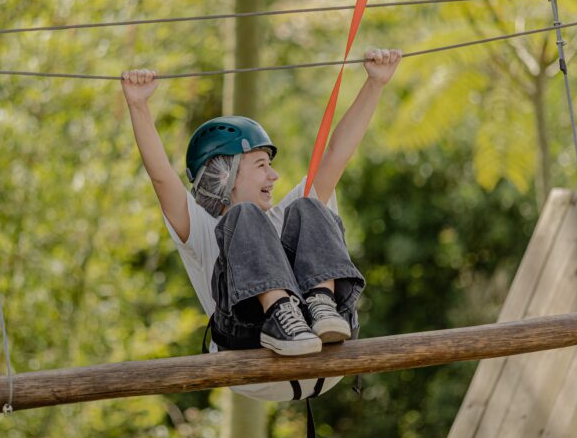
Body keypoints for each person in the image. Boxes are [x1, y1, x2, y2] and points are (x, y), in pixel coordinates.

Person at [122, 48, 402, 401]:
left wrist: (375, 83)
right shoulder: (203, 230)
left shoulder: (287, 216)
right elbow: (162, 178)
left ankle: (322, 306)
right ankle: (279, 315)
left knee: (308, 205)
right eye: (260, 165)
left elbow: (336, 154)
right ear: (225, 176)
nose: (274, 175)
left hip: (324, 352)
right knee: (243, 217)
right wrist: (138, 105)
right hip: (248, 353)